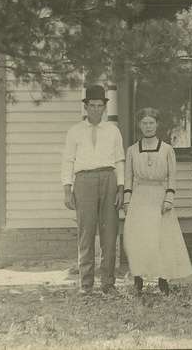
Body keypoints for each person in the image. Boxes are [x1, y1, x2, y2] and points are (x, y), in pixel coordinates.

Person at [121, 108, 192, 296]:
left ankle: (163, 279)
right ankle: (138, 278)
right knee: (139, 239)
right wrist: (127, 201)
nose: (148, 127)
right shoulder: (132, 150)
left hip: (160, 197)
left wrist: (169, 197)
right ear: (139, 125)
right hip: (139, 197)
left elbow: (172, 177)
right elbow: (128, 178)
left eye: (151, 123)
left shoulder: (167, 150)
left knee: (162, 239)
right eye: (144, 123)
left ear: (157, 125)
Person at [61, 85, 125, 294]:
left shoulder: (113, 130)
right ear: (86, 107)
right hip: (84, 180)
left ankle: (108, 283)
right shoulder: (75, 131)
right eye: (92, 106)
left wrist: (121, 188)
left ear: (105, 107)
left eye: (100, 106)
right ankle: (86, 284)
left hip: (109, 178)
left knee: (109, 234)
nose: (96, 110)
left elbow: (120, 160)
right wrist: (67, 189)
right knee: (86, 233)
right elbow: (68, 160)